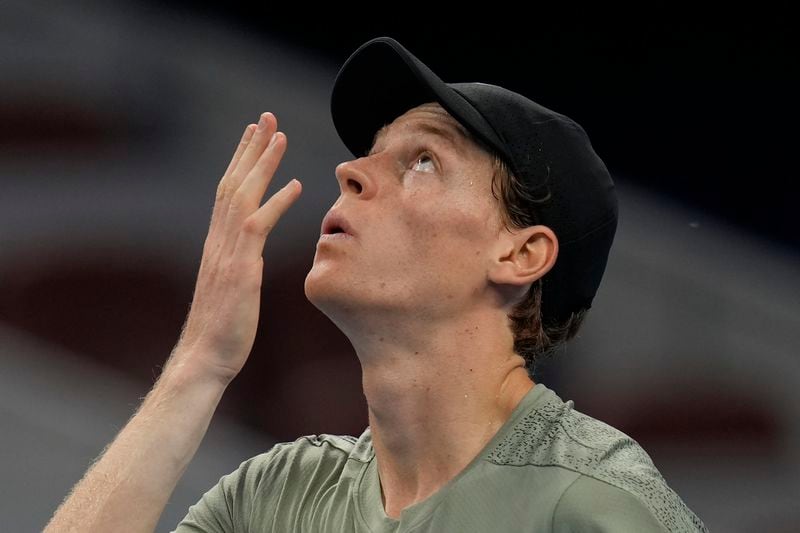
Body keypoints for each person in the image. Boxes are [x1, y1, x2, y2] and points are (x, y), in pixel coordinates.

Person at [45, 37, 707, 532]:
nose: (350, 172)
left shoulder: (594, 503)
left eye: (423, 160)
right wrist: (198, 363)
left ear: (520, 252)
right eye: (368, 152)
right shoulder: (281, 494)